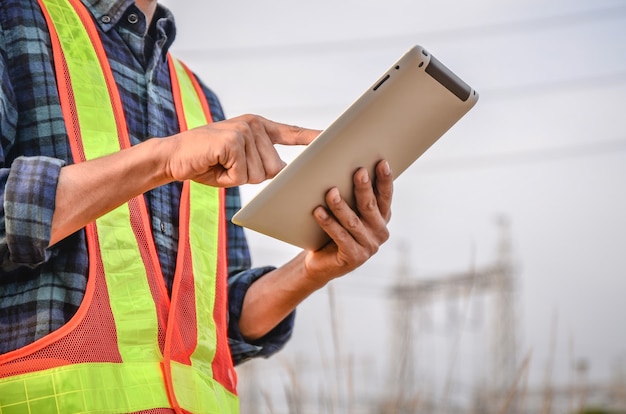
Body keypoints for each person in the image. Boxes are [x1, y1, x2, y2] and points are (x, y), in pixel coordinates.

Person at [0, 0, 393, 412]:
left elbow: (217, 322)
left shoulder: (201, 102)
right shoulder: (15, 23)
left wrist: (314, 268)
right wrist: (161, 160)